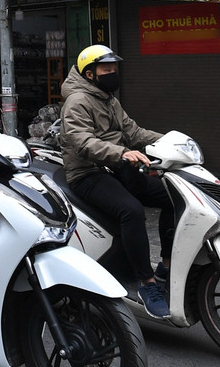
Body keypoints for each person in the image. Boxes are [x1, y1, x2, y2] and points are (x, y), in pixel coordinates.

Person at [60, 44, 172, 319]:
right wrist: (121, 152)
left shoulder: (109, 99)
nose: (112, 73)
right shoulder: (77, 102)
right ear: (89, 74)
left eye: (113, 68)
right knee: (131, 210)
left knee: (173, 197)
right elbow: (83, 143)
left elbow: (133, 132)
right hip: (88, 172)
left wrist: (170, 141)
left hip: (118, 166)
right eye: (106, 69)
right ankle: (147, 284)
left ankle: (166, 266)